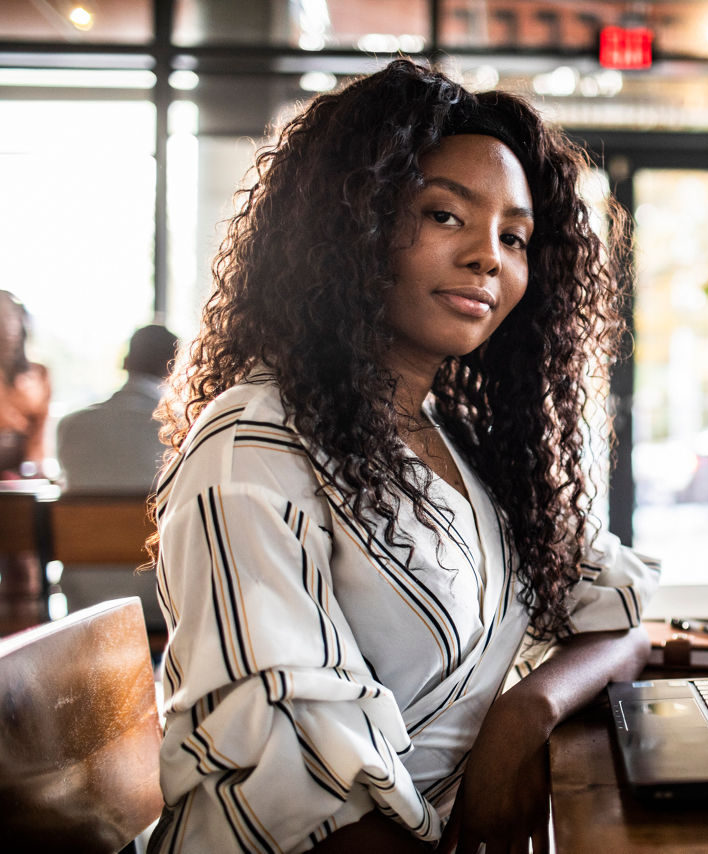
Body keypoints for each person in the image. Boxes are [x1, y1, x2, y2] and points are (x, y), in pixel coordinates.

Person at [149, 59, 660, 853]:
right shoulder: (251, 451)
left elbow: (623, 620)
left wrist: (526, 714)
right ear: (349, 226)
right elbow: (298, 800)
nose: (489, 257)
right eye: (446, 216)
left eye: (514, 237)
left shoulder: (453, 440)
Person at [56, 323, 179, 493]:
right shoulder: (179, 431)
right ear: (174, 368)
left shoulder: (71, 424)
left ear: (125, 362)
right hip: (147, 519)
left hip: (81, 520)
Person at [0, 290, 51, 479]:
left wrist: (35, 467)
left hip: (22, 473)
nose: (7, 325)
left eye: (11, 316)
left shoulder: (39, 373)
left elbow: (39, 434)